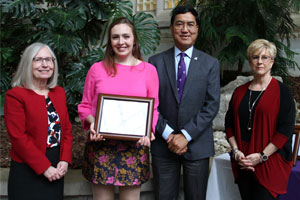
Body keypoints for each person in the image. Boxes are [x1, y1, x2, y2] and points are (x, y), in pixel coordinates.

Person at [77, 17, 159, 200]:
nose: (121, 42)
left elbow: (154, 108)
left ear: (134, 40)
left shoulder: (149, 71)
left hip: (134, 147)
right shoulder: (97, 69)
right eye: (115, 37)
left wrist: (149, 131)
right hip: (101, 147)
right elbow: (84, 106)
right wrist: (93, 123)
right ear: (110, 42)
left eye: (126, 36)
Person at [148, 6, 220, 200]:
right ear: (171, 28)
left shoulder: (210, 64)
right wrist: (170, 136)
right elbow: (151, 105)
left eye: (190, 24)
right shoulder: (155, 63)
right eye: (179, 24)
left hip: (197, 146)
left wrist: (186, 136)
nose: (185, 29)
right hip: (164, 147)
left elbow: (211, 105)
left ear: (197, 29)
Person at [225, 39, 296, 200]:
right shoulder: (239, 92)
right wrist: (236, 151)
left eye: (265, 57)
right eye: (255, 57)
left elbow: (285, 131)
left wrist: (262, 156)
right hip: (243, 162)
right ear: (250, 60)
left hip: (268, 163)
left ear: (272, 61)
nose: (260, 61)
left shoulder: (282, 92)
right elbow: (229, 125)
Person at [4, 42, 73, 200]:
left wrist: (64, 159)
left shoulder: (59, 93)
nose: (45, 64)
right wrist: (44, 167)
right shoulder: (15, 95)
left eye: (49, 60)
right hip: (27, 168)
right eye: (39, 60)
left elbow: (67, 129)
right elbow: (18, 138)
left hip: (56, 166)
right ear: (28, 63)